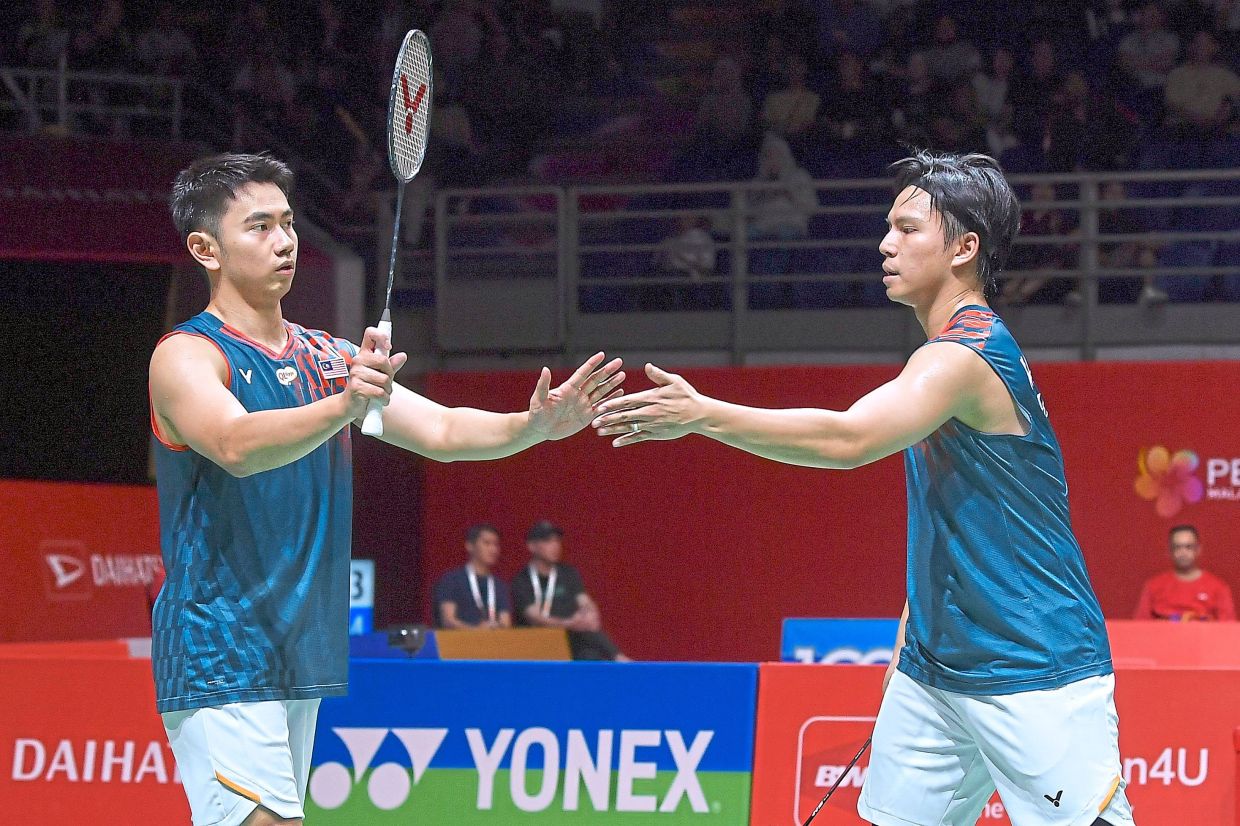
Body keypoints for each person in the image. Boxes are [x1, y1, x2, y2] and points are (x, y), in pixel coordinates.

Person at [594, 149, 1134, 826]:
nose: (886, 243)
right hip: (936, 669)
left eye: (909, 229)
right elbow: (960, 517)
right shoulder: (939, 359)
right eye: (889, 226)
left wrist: (705, 414)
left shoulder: (963, 358)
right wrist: (912, 635)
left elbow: (848, 440)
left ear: (965, 247)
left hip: (1034, 664)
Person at [148, 153, 624, 826]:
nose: (283, 242)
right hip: (218, 643)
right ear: (206, 249)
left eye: (287, 223)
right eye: (258, 227)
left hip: (296, 646)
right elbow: (235, 444)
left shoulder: (327, 358)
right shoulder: (188, 357)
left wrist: (535, 426)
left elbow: (443, 430)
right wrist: (343, 407)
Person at [511, 520, 629, 661]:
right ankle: (620, 659)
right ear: (532, 546)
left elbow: (584, 600)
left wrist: (590, 613)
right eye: (548, 541)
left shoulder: (568, 573)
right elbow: (535, 617)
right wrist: (569, 623)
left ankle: (619, 660)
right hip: (537, 641)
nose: (555, 546)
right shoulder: (522, 579)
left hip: (570, 638)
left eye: (557, 541)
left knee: (591, 656)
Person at [1134, 525, 1237, 621]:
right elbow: (1139, 628)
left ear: (1198, 550)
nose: (1183, 552)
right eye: (1177, 547)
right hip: (1163, 639)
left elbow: (1228, 630)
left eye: (1188, 547)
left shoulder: (1218, 587)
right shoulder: (1153, 586)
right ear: (1169, 551)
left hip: (1204, 639)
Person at [432, 523, 513, 629]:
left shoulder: (499, 585)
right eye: (487, 543)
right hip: (459, 642)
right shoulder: (451, 580)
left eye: (496, 544)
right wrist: (476, 631)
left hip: (494, 642)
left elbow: (506, 622)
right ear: (470, 546)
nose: (493, 550)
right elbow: (448, 621)